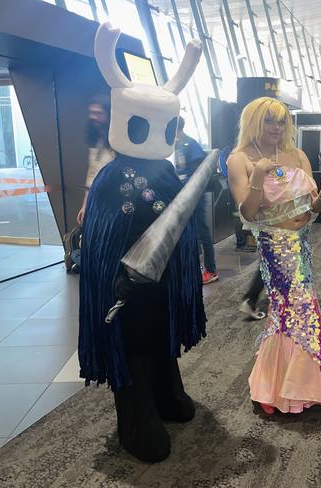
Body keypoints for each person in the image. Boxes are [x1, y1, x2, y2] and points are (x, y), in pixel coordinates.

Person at [79, 24, 206, 462]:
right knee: (134, 345)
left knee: (159, 339)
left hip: (163, 282)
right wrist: (116, 280)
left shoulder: (166, 172)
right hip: (126, 288)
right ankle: (136, 421)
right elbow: (100, 242)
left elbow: (180, 227)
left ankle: (168, 394)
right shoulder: (111, 178)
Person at [227, 97, 321, 414]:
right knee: (298, 309)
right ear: (253, 122)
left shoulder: (297, 154)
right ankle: (281, 389)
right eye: (269, 121)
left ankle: (286, 387)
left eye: (281, 121)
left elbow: (309, 207)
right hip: (274, 246)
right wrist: (257, 176)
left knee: (294, 312)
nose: (277, 128)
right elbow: (247, 214)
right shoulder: (240, 159)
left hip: (300, 243)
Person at [175, 116, 218, 284]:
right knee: (190, 232)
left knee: (202, 232)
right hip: (184, 195)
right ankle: (194, 268)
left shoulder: (190, 144)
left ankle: (211, 269)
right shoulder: (178, 145)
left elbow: (200, 170)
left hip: (195, 196)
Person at [77, 95, 115, 224]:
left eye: (98, 113)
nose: (93, 117)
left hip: (113, 205)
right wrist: (85, 205)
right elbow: (92, 174)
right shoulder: (96, 140)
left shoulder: (118, 143)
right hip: (96, 202)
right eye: (91, 113)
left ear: (109, 114)